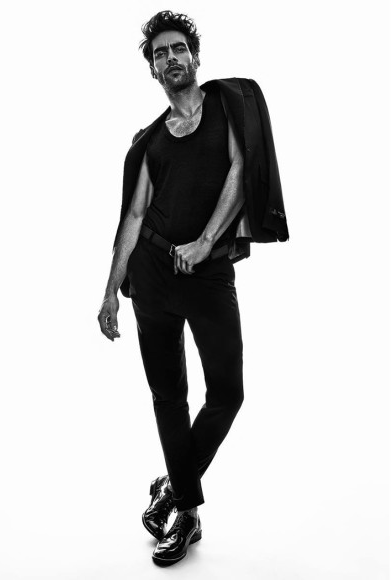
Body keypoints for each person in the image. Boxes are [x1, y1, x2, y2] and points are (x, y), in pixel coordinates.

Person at [98, 10, 289, 567]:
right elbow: (134, 215)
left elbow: (240, 169)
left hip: (208, 274)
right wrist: (110, 290)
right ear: (153, 70)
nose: (170, 57)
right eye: (159, 53)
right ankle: (187, 512)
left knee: (228, 393)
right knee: (168, 397)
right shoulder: (150, 141)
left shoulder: (228, 107)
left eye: (178, 48)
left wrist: (206, 243)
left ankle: (174, 485)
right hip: (152, 274)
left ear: (195, 56)